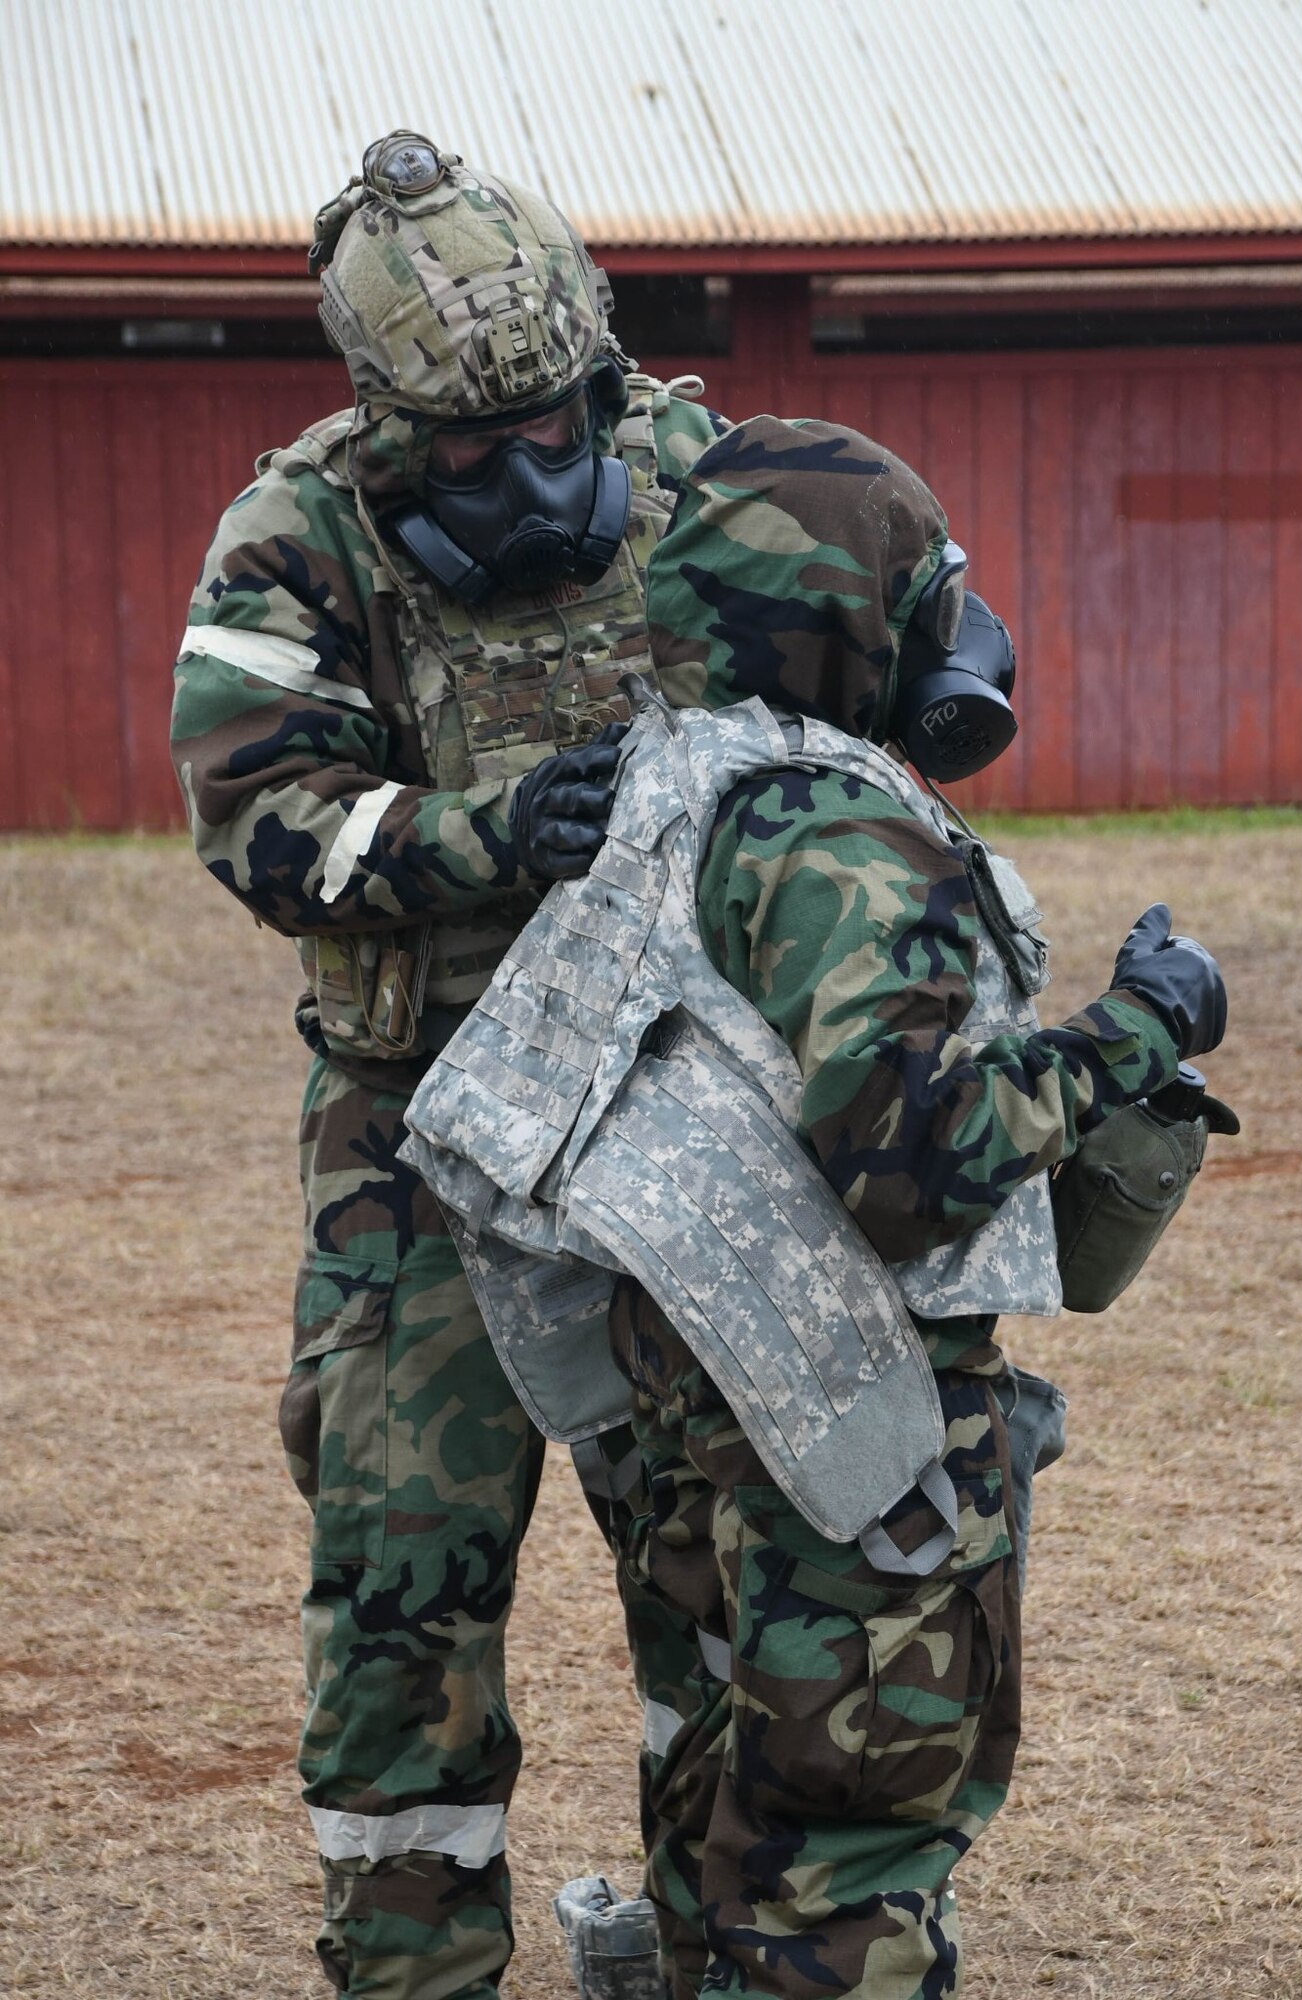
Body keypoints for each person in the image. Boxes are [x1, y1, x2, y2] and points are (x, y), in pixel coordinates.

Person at [401, 415, 1228, 1999]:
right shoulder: (839, 835)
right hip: (849, 1446)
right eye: (926, 584)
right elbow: (907, 1170)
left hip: (716, 1403)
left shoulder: (681, 779)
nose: (953, 623)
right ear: (851, 617)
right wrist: (1139, 1025)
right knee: (838, 1881)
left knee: (731, 1830)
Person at [169, 130, 727, 1998]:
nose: (533, 472)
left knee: (730, 1565)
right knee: (402, 1587)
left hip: (682, 1110)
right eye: (473, 453)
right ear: (381, 418)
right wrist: (494, 834)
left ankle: (732, 1941)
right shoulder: (296, 534)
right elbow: (257, 820)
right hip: (422, 1135)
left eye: (559, 424)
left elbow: (868, 648)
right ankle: (412, 1965)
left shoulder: (686, 466)